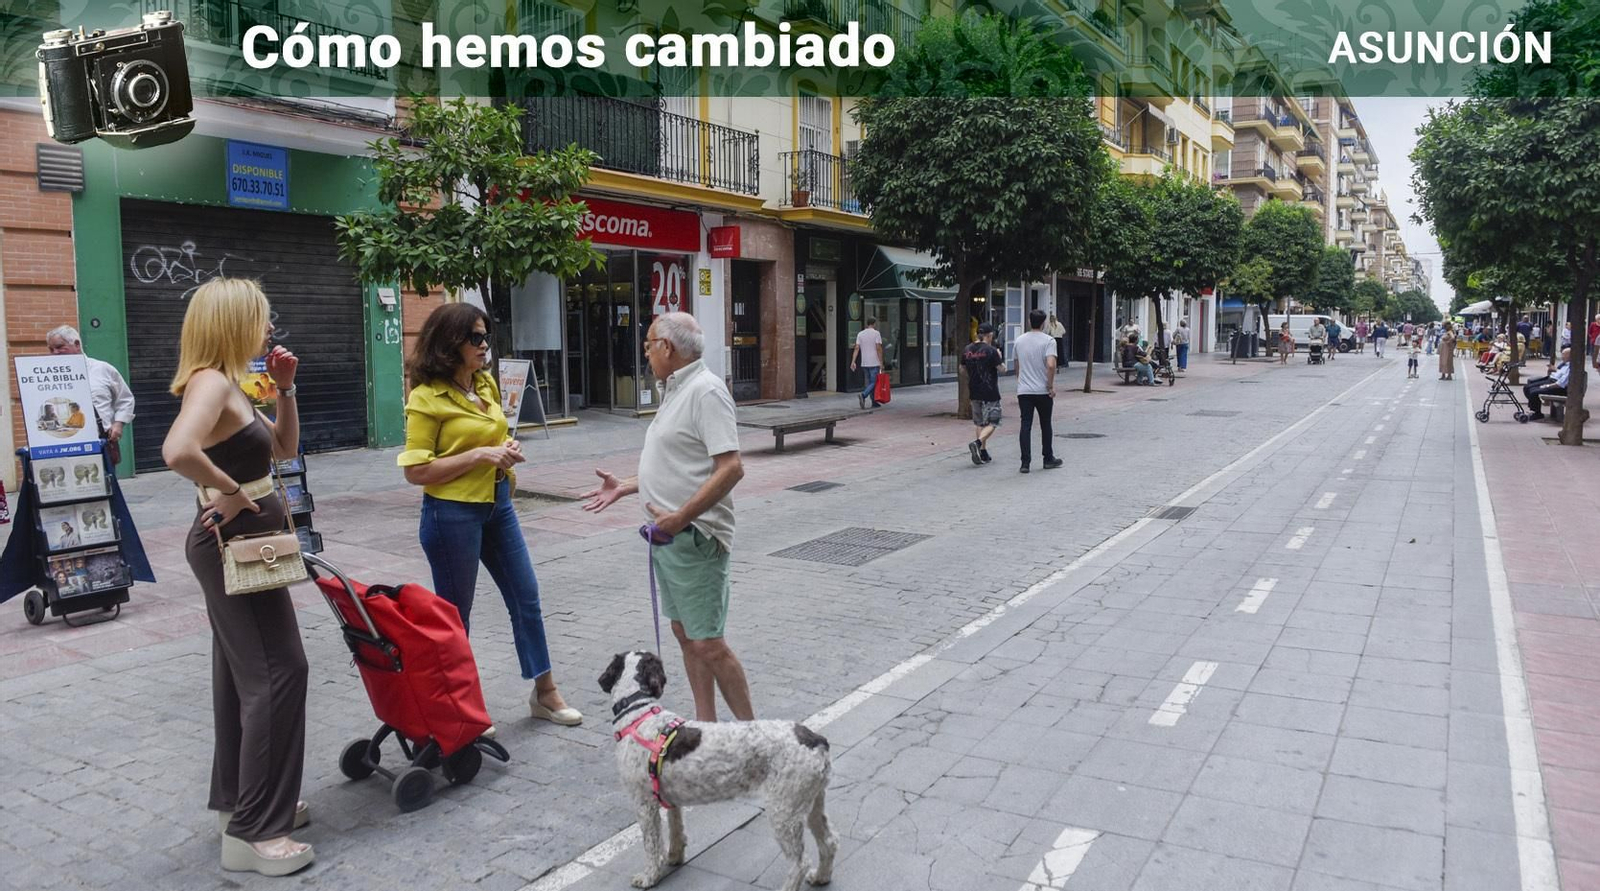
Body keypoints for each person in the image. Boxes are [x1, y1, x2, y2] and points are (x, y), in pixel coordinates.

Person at [159, 278, 312, 877]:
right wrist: (229, 491)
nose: (269, 327)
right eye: (261, 317)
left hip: (245, 546)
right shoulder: (211, 382)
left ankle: (239, 805)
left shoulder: (234, 383)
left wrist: (285, 389)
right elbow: (178, 450)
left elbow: (283, 449)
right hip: (235, 545)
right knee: (279, 673)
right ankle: (258, 831)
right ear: (232, 323)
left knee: (240, 676)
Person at [398, 303, 580, 728]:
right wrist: (480, 454)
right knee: (455, 617)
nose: (484, 346)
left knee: (526, 596)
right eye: (476, 338)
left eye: (486, 337)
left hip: (498, 505)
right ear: (450, 344)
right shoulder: (426, 398)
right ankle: (459, 710)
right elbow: (416, 470)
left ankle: (545, 692)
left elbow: (493, 437)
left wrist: (505, 451)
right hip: (451, 515)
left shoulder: (485, 384)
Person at [581, 312, 752, 722]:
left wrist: (680, 517)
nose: (645, 353)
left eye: (648, 345)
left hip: (694, 535)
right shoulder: (676, 388)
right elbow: (679, 461)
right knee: (685, 633)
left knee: (708, 642)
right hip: (670, 536)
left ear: (667, 347)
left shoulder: (705, 391)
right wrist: (626, 485)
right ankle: (706, 725)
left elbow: (731, 467)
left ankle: (755, 735)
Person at [46, 325, 136, 463]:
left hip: (101, 442)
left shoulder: (102, 369)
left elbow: (125, 399)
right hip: (65, 445)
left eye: (59, 347)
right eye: (51, 349)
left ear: (76, 344)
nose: (55, 353)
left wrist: (118, 424)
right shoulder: (47, 376)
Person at [1013, 309, 1061, 474]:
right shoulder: (1049, 341)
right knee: (1045, 424)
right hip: (1042, 390)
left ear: (1029, 321)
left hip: (1024, 390)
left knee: (1025, 424)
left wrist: (1020, 381)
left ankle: (1025, 463)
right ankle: (1048, 458)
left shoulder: (1019, 341)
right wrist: (1050, 386)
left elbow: (1017, 365)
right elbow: (1051, 365)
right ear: (1044, 323)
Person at [962, 323, 1006, 465]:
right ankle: (978, 443)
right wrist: (1000, 357)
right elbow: (1002, 369)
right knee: (993, 422)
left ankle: (983, 452)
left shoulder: (967, 349)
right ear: (990, 335)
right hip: (990, 391)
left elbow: (962, 369)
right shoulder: (991, 351)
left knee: (979, 422)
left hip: (974, 390)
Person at [1524, 348, 1571, 420]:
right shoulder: (1566, 365)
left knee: (1533, 392)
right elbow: (1562, 374)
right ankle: (1534, 408)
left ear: (1569, 356)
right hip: (1552, 380)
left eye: (1564, 355)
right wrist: (1555, 369)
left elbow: (1560, 384)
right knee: (1527, 388)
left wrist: (1547, 386)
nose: (1562, 357)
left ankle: (1537, 413)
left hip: (1558, 387)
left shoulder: (1571, 367)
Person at [850, 317, 885, 410]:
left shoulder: (860, 334)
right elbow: (878, 348)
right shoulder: (876, 333)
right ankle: (863, 395)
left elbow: (856, 348)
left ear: (867, 323)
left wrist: (853, 361)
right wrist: (881, 362)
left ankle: (874, 402)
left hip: (864, 362)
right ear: (874, 324)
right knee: (874, 382)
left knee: (870, 383)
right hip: (874, 362)